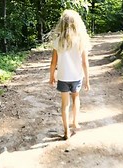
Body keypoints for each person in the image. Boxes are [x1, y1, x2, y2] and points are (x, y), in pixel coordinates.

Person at [49, 9, 91, 140]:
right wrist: (87, 80)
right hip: (76, 77)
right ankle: (75, 122)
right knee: (76, 99)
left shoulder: (58, 41)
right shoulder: (80, 40)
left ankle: (66, 130)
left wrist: (51, 76)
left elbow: (53, 62)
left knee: (64, 104)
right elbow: (85, 63)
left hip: (63, 77)